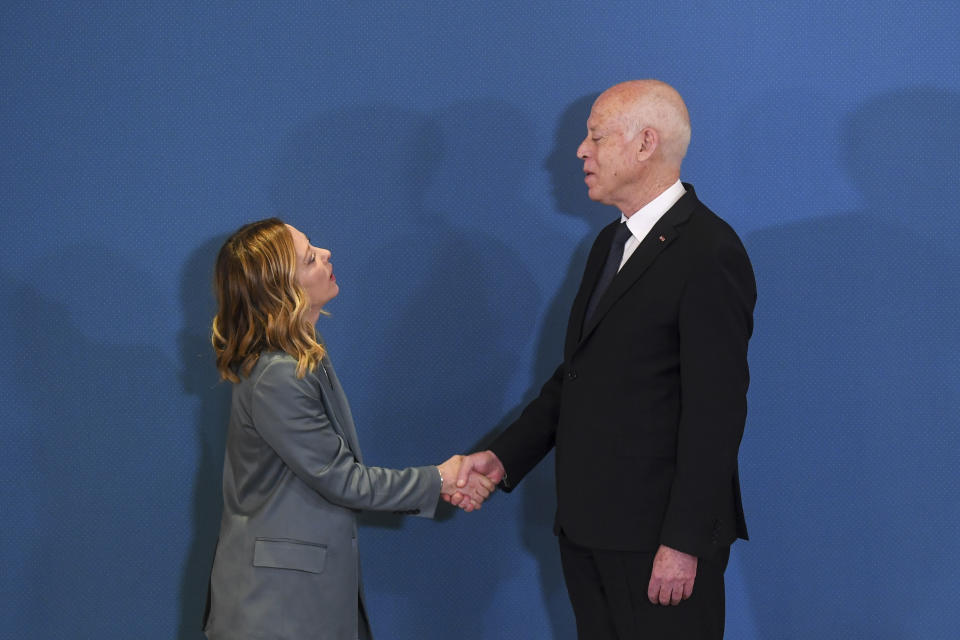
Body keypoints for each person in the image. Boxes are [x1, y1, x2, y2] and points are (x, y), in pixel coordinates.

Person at [451, 80, 757, 639]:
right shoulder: (608, 246)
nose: (579, 152)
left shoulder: (710, 251)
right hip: (590, 533)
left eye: (594, 137)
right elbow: (579, 378)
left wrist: (683, 541)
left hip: (659, 545)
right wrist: (503, 458)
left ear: (645, 144)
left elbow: (717, 413)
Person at [202, 218, 493, 640]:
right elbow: (343, 481)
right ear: (283, 292)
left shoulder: (299, 360)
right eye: (309, 258)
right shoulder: (280, 376)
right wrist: (440, 479)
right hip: (276, 609)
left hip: (296, 601)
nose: (326, 254)